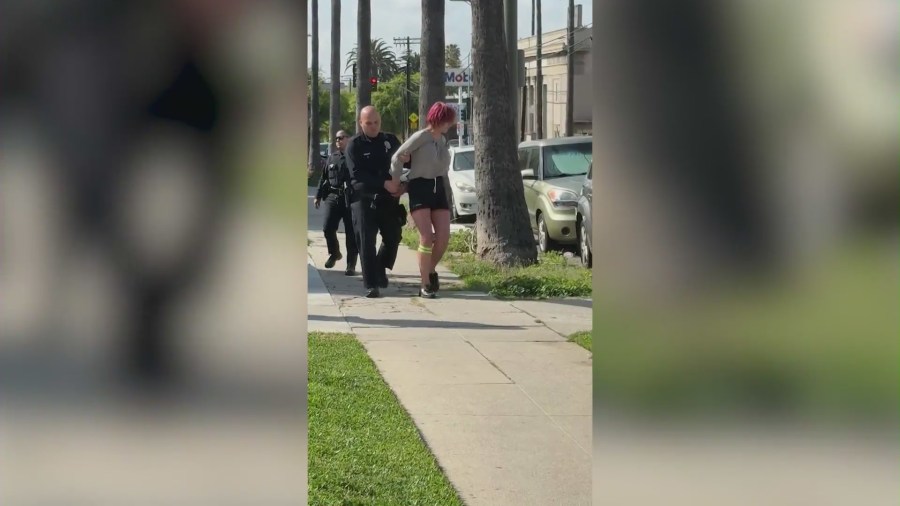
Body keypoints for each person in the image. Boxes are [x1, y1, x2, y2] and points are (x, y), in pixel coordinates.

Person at [389, 102, 456, 298]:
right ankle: (425, 283)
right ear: (438, 119)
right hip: (419, 186)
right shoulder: (420, 137)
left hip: (438, 186)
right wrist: (396, 180)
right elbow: (397, 157)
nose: (449, 125)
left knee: (443, 237)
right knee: (426, 237)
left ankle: (430, 269)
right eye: (447, 121)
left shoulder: (443, 140)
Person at [345, 106, 405, 298]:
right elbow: (356, 174)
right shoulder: (354, 144)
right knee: (366, 241)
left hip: (388, 198)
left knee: (393, 236)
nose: (373, 127)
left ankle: (380, 267)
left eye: (376, 122)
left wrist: (402, 185)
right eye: (368, 123)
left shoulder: (390, 140)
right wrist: (383, 183)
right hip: (363, 199)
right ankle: (371, 284)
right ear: (360, 123)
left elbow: (405, 163)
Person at [314, 130, 357, 275]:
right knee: (327, 228)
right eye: (336, 138)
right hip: (333, 196)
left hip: (349, 198)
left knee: (351, 233)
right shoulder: (332, 157)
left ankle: (351, 264)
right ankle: (335, 253)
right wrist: (318, 196)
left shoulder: (354, 157)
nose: (338, 140)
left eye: (341, 138)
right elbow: (323, 177)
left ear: (348, 139)